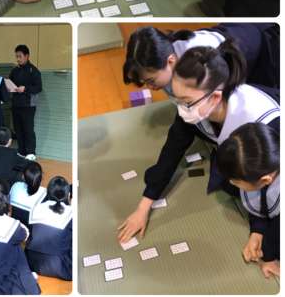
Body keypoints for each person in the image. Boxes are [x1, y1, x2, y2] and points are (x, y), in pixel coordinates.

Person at [118, 41, 280, 243]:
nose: (182, 108)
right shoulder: (196, 107)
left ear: (215, 98)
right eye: (177, 99)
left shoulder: (266, 125)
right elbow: (172, 149)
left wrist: (260, 230)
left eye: (186, 101)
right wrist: (144, 206)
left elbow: (267, 182)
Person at [123, 23, 280, 93]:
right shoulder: (168, 53)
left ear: (170, 61)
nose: (150, 87)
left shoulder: (204, 66)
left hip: (264, 49)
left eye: (151, 81)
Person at [217, 123, 280, 279]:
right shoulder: (264, 160)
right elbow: (261, 200)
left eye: (236, 181)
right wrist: (258, 231)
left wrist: (269, 258)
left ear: (265, 180)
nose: (232, 183)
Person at [25, 176, 72, 281]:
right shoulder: (71, 212)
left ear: (48, 192)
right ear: (68, 195)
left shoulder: (36, 207)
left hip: (31, 262)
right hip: (60, 267)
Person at [9, 45, 43, 160]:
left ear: (27, 56)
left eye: (20, 56)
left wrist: (25, 88)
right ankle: (22, 151)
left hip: (28, 105)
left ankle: (31, 152)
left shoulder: (34, 71)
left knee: (28, 129)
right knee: (18, 129)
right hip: (16, 104)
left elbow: (38, 88)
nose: (18, 59)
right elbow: (10, 83)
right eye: (16, 56)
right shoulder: (14, 71)